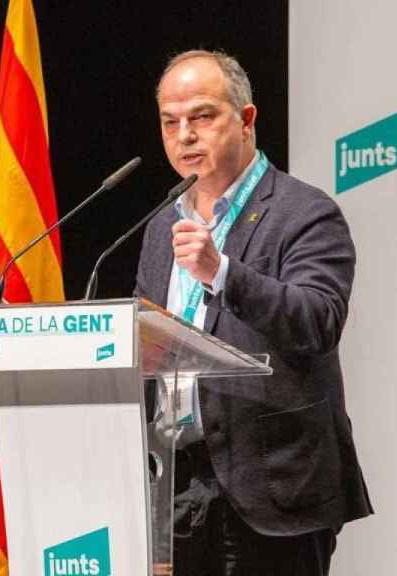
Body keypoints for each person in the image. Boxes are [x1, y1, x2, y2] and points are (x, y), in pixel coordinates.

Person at [135, 50, 373, 575]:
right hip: (176, 486)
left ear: (246, 120)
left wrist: (222, 272)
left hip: (271, 486)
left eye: (201, 116)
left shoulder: (303, 212)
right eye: (170, 122)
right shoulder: (159, 227)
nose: (184, 135)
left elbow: (319, 320)